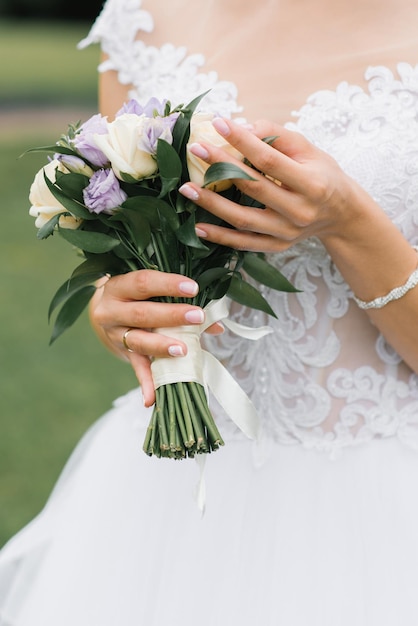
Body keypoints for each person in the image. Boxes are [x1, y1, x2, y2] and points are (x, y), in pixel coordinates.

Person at [1, 0, 418, 624]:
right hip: (175, 485)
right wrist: (118, 314)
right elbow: (126, 252)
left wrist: (349, 222)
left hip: (382, 493)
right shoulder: (142, 19)